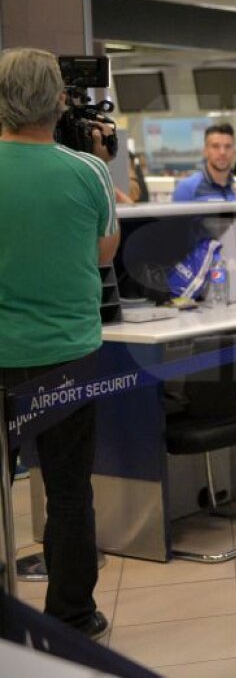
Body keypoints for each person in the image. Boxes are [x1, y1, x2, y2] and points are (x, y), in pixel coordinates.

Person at [0, 47, 119, 639]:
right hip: (67, 356)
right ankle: (72, 617)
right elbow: (104, 253)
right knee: (69, 491)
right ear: (59, 101)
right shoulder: (88, 171)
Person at [171, 123, 236, 202]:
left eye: (228, 146)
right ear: (205, 151)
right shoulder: (187, 189)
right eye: (215, 146)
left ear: (234, 152)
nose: (222, 152)